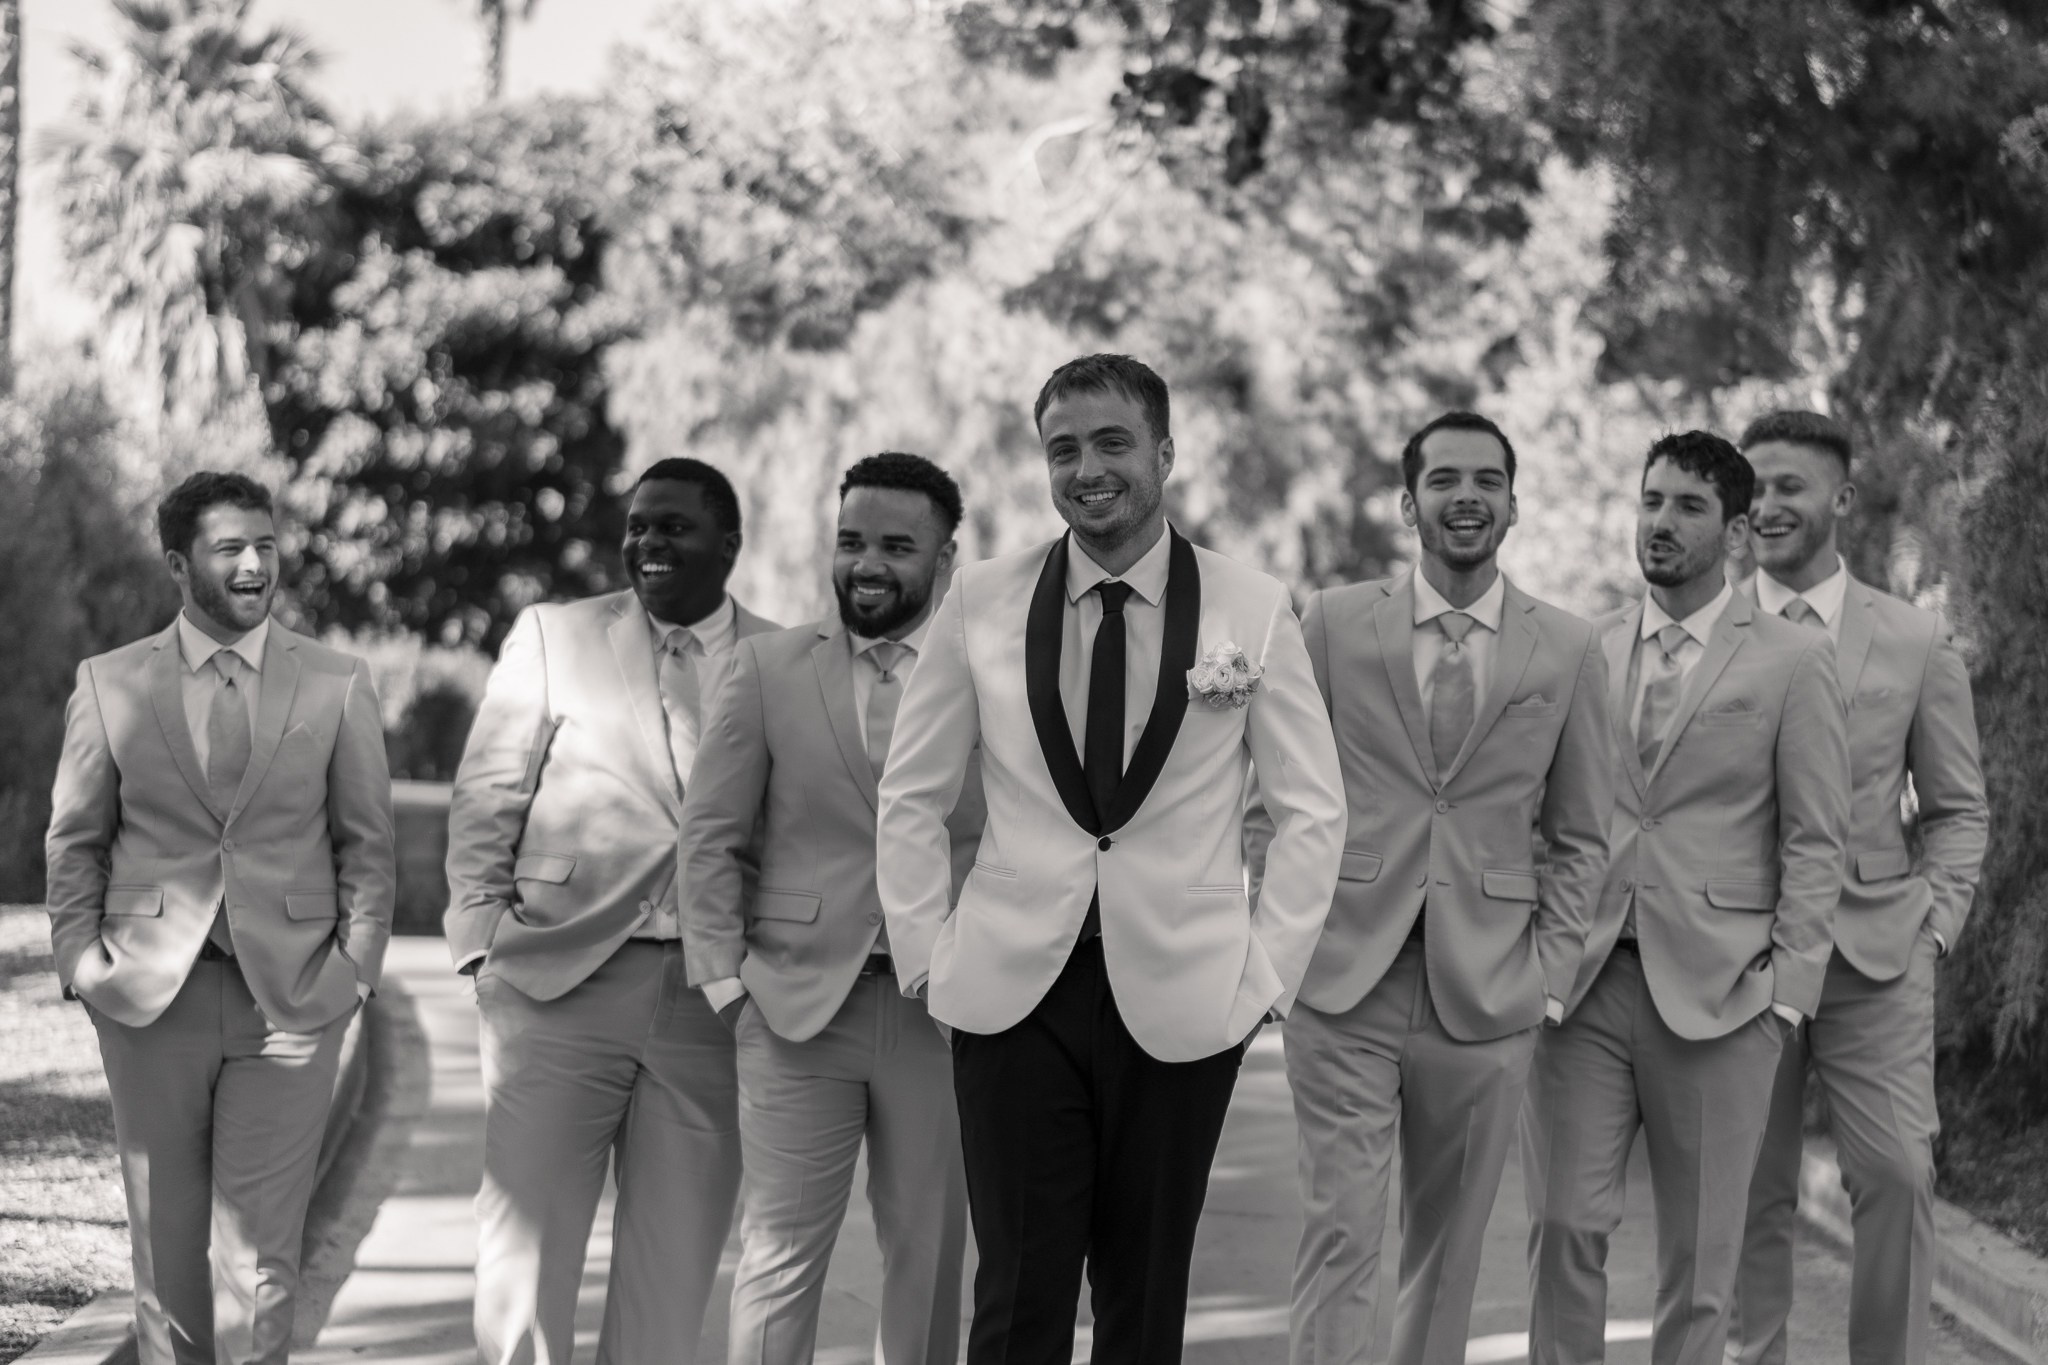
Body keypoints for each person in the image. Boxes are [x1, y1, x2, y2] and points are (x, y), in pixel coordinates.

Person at [875, 353, 1346, 1365]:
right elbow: (910, 794)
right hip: (1010, 994)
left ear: (1164, 454)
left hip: (1186, 995)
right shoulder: (982, 601)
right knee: (1013, 1296)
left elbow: (1311, 810)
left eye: (1110, 442)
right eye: (1062, 449)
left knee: (1143, 1296)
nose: (1086, 468)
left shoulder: (1249, 605)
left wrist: (1265, 976)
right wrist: (924, 952)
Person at [1279, 413, 1613, 1365]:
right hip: (1342, 974)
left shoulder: (1568, 647)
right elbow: (1279, 792)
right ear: (1408, 501)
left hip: (1491, 990)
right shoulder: (1336, 623)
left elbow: (1584, 834)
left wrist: (1550, 977)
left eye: (1488, 481)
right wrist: (1281, 939)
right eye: (1445, 480)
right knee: (1341, 1231)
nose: (1466, 496)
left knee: (1447, 1251)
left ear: (1513, 504)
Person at [44, 471, 396, 1365]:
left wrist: (354, 971)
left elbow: (369, 846)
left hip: (293, 1001)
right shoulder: (110, 681)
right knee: (166, 1257)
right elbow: (76, 840)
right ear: (177, 562)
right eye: (229, 548)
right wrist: (82, 964)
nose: (254, 565)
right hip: (148, 997)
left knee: (261, 1262)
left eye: (266, 546)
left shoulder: (337, 683)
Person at [1521, 431, 1849, 1365]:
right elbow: (1543, 809)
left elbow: (1816, 835)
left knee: (1704, 1261)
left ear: (1738, 530)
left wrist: (1789, 992)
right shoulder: (1584, 646)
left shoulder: (1791, 660)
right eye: (1652, 500)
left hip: (1724, 995)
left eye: (1688, 506)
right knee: (1561, 1227)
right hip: (1580, 986)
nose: (1661, 522)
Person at [445, 458, 779, 1365]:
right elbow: (486, 795)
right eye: (637, 526)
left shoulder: (783, 658)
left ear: (728, 545)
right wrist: (481, 944)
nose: (648, 543)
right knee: (523, 1251)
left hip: (713, 1001)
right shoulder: (556, 635)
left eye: (673, 526)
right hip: (556, 983)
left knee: (672, 1273)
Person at [681, 453, 982, 1365]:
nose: (868, 564)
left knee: (928, 1259)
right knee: (777, 1258)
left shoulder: (990, 672)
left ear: (947, 556)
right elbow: (710, 834)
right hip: (792, 1009)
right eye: (851, 541)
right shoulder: (766, 667)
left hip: (946, 1013)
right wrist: (727, 984)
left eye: (897, 544)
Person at [1729, 411, 1987, 1365]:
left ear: (1839, 499)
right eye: (1752, 486)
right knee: (1748, 1187)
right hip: (1740, 953)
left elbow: (1959, 807)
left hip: (1877, 951)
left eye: (1789, 486)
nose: (1765, 505)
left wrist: (1937, 925)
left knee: (1896, 1172)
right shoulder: (1708, 629)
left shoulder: (1913, 640)